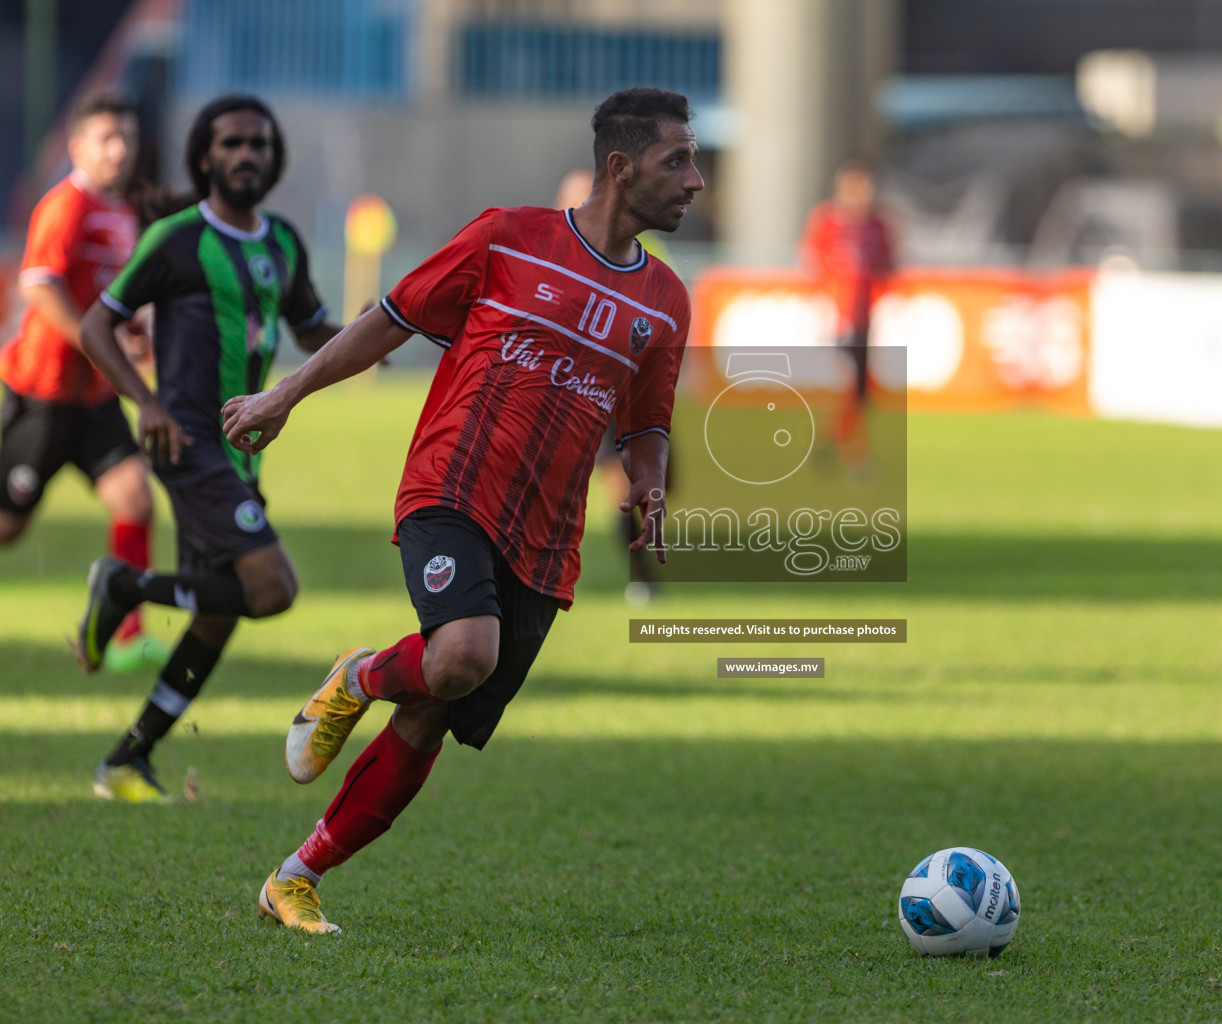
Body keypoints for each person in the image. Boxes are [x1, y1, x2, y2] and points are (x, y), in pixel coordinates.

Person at [220, 86, 700, 934]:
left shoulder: (665, 300)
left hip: (546, 539)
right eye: (679, 161)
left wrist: (651, 481)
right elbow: (391, 319)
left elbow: (648, 421)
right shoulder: (509, 237)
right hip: (454, 485)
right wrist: (287, 394)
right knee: (460, 655)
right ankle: (360, 675)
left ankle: (295, 878)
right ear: (621, 168)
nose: (696, 179)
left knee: (437, 706)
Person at [75, 94, 344, 801]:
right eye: (230, 144)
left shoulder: (283, 242)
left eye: (258, 144)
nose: (245, 155)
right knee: (273, 587)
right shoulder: (176, 238)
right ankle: (123, 586)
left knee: (220, 613)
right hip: (188, 441)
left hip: (241, 455)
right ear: (205, 157)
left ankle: (127, 759)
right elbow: (97, 326)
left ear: (273, 158)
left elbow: (314, 329)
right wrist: (148, 401)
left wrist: (396, 322)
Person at [0, 94, 168, 672]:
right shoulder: (65, 207)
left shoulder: (121, 214)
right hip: (41, 396)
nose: (119, 149)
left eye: (126, 137)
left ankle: (124, 635)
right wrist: (101, 342)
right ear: (78, 146)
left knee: (135, 499)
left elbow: (111, 302)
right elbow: (38, 287)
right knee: (8, 526)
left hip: (93, 400)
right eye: (106, 138)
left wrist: (134, 332)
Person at [556, 165, 670, 604]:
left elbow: (667, 316)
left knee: (630, 490)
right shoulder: (549, 251)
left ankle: (641, 575)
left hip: (624, 389)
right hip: (562, 391)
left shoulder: (645, 250)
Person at [799, 158, 895, 469]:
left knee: (860, 390)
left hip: (866, 318)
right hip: (837, 317)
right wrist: (820, 308)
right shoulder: (827, 221)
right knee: (849, 383)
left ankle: (832, 441)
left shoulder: (878, 225)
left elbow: (888, 266)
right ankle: (855, 452)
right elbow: (811, 263)